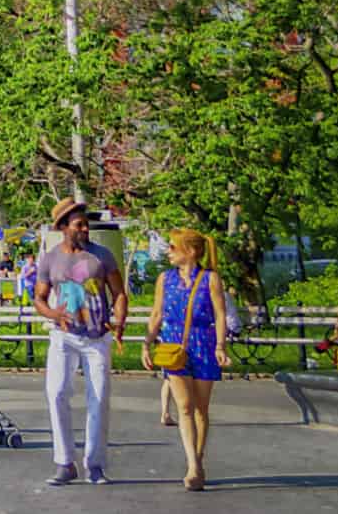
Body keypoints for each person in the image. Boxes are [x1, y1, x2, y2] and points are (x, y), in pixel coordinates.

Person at [34, 198, 128, 486]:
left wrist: (120, 321)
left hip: (96, 336)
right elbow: (38, 298)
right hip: (63, 336)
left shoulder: (102, 255)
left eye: (86, 224)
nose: (85, 229)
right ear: (64, 227)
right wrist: (52, 313)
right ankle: (65, 462)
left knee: (98, 399)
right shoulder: (50, 258)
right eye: (79, 225)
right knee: (57, 393)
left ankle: (95, 464)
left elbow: (119, 293)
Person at [146, 228, 231, 492]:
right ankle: (193, 465)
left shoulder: (211, 279)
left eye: (173, 247)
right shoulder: (165, 278)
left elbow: (220, 314)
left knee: (200, 410)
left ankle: (199, 457)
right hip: (172, 346)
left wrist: (220, 345)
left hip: (203, 343)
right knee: (184, 406)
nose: (168, 251)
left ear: (191, 251)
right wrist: (147, 343)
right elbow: (157, 313)